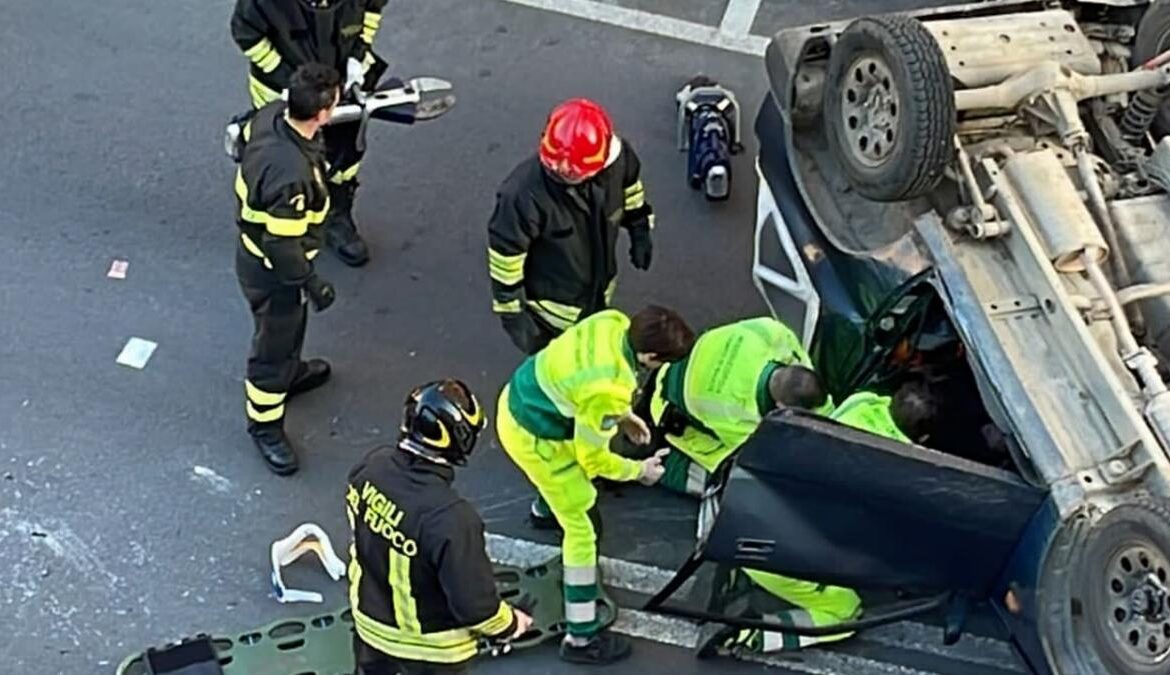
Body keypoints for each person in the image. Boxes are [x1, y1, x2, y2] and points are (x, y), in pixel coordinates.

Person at [495, 306, 695, 664]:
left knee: (564, 487)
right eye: (660, 363)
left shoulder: (613, 322)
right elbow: (593, 461)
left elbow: (579, 382)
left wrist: (623, 416)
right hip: (537, 441)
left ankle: (544, 510)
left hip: (518, 402)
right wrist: (640, 471)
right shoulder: (609, 389)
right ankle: (582, 637)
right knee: (583, 530)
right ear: (649, 356)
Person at [697, 381, 938, 660]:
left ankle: (744, 573)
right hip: (770, 543)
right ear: (924, 438)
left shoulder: (863, 401)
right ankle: (747, 635)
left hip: (743, 502)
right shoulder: (902, 467)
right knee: (845, 611)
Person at [347, 380, 534, 674]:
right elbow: (475, 606)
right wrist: (510, 624)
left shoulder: (371, 468)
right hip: (431, 649)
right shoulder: (452, 520)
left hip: (369, 627)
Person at [234, 63, 341, 475]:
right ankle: (265, 425)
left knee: (289, 330)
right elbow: (282, 245)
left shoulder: (269, 118)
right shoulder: (291, 178)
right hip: (273, 273)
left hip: (256, 259)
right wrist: (311, 283)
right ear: (323, 113)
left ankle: (291, 373)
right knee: (272, 348)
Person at [487, 98, 656, 355]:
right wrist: (512, 314)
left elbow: (631, 192)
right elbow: (505, 258)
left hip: (599, 288)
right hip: (551, 311)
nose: (563, 170)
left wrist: (639, 228)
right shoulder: (522, 195)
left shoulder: (620, 162)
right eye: (556, 164)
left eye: (574, 171)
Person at [231, 0, 389, 266]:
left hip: (339, 85)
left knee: (346, 155)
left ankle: (337, 217)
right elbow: (246, 32)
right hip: (282, 90)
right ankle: (279, 221)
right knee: (286, 160)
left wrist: (360, 52)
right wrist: (286, 79)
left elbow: (373, 8)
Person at [646, 316, 830, 497]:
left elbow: (803, 365)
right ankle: (662, 463)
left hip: (686, 355)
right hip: (667, 399)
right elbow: (756, 453)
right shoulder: (734, 412)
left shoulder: (772, 332)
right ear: (780, 405)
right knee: (732, 478)